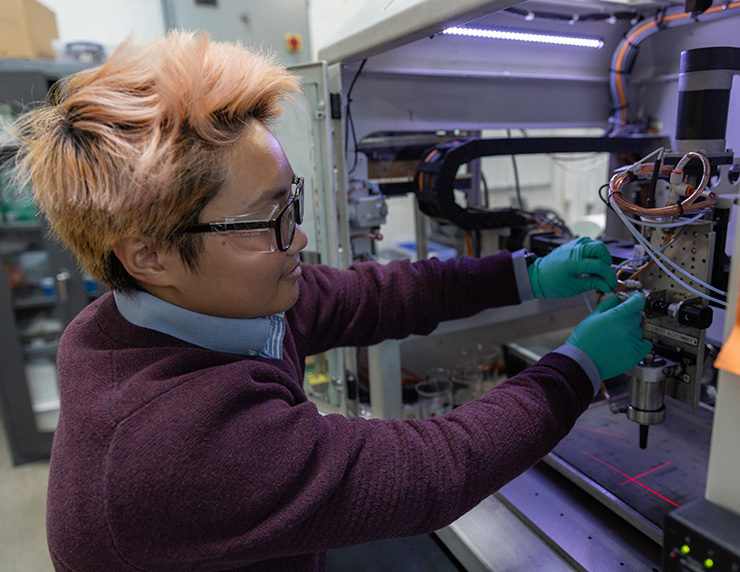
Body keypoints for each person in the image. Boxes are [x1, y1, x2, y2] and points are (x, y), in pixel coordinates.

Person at [11, 31, 651, 572]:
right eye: (269, 220)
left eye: (291, 203)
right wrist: (579, 366)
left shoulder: (201, 304)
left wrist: (526, 274)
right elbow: (433, 473)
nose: (299, 238)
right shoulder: (172, 444)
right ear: (147, 254)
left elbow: (376, 296)